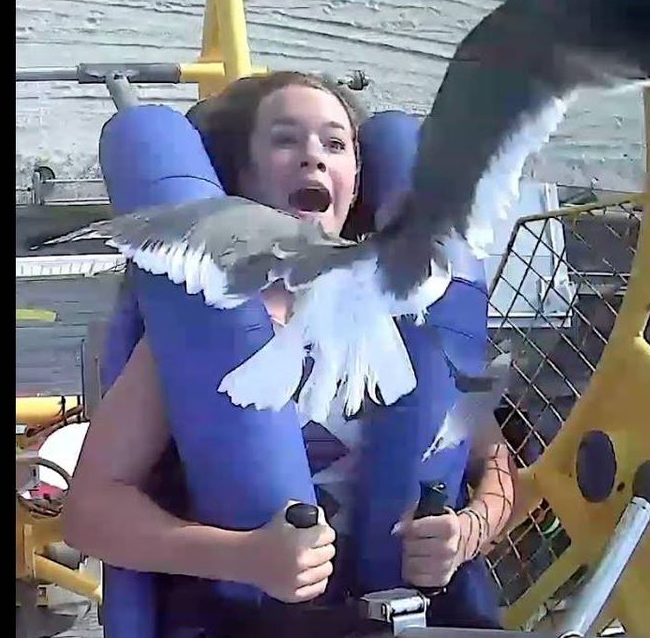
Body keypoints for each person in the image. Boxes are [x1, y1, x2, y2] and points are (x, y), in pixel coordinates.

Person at [63, 71, 518, 634]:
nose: (313, 158)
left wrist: (469, 528)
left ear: (355, 181)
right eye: (285, 139)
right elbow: (88, 513)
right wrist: (243, 557)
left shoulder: (411, 310)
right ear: (246, 176)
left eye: (334, 144)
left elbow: (493, 464)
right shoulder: (199, 332)